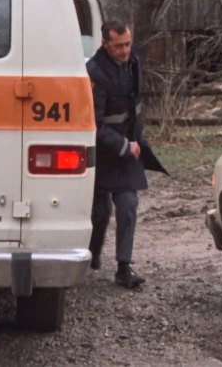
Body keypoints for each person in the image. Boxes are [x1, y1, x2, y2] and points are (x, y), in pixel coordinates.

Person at [86, 18, 156, 289]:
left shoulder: (133, 60)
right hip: (104, 151)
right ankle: (91, 256)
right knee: (99, 211)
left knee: (128, 206)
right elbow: (94, 124)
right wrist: (125, 145)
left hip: (129, 147)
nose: (125, 51)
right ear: (105, 44)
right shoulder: (94, 72)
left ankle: (123, 267)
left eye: (128, 44)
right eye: (118, 46)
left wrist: (138, 139)